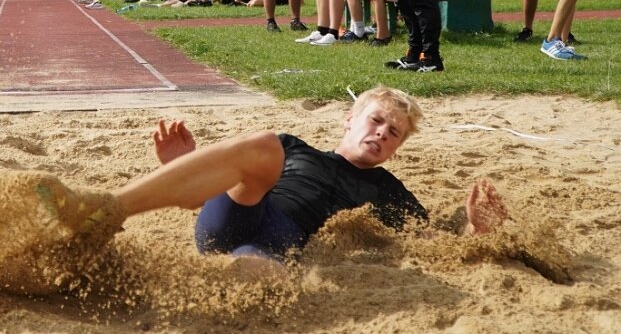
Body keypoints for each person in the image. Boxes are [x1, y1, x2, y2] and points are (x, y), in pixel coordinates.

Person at [67, 85, 508, 262]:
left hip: (280, 242)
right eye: (375, 121)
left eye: (393, 133)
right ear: (349, 120)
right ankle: (109, 209)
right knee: (264, 147)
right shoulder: (295, 148)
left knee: (254, 271)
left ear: (395, 150)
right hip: (236, 210)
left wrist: (476, 231)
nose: (381, 134)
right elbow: (241, 181)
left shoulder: (388, 190)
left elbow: (435, 246)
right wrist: (185, 167)